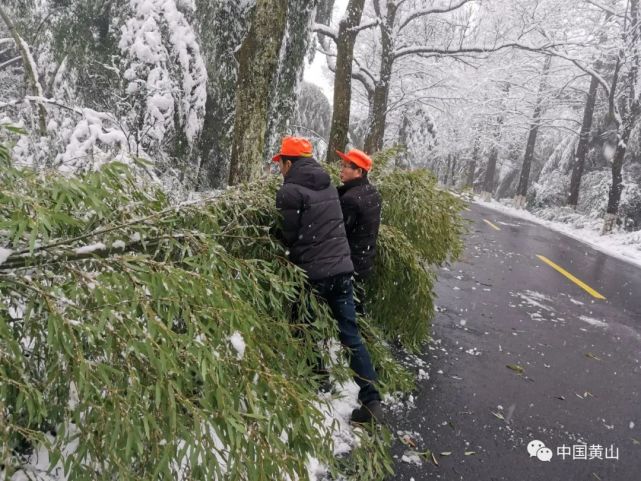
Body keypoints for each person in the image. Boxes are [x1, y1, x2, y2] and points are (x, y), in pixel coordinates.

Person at [273, 136, 383, 424]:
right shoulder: (330, 187)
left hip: (314, 274)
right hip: (343, 269)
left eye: (281, 164)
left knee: (301, 325)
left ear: (289, 163)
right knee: (350, 334)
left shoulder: (289, 192)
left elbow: (289, 236)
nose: (280, 170)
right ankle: (371, 397)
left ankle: (318, 380)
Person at [336, 149, 382, 316]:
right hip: (364, 260)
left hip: (350, 263)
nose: (341, 169)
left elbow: (339, 232)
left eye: (346, 166)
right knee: (356, 303)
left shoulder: (350, 200)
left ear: (359, 172)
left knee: (345, 307)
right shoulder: (373, 193)